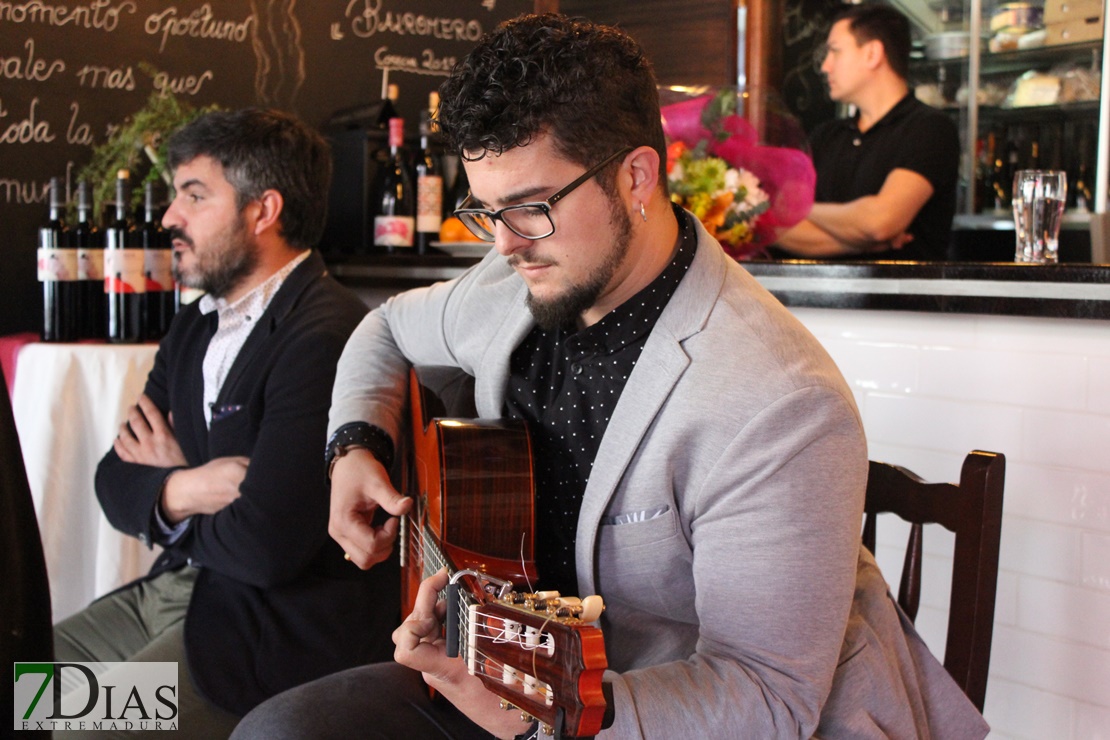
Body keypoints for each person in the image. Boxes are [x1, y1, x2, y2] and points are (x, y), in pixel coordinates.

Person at [233, 14, 988, 739]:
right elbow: (387, 325)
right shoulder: (523, 279)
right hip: (516, 678)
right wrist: (355, 444)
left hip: (661, 713)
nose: (502, 247)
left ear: (635, 177)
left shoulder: (778, 400)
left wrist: (541, 716)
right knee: (275, 728)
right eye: (485, 211)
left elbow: (766, 696)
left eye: (529, 208)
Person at [53, 108, 399, 738]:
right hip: (184, 593)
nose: (168, 218)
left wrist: (164, 497)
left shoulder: (324, 336)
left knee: (83, 722)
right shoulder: (197, 321)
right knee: (23, 685)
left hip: (262, 638)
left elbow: (266, 548)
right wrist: (187, 487)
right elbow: (112, 478)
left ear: (262, 211)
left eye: (193, 195)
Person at [774, 3, 959, 261]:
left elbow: (879, 222)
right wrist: (861, 242)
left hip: (900, 299)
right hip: (812, 298)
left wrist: (802, 208)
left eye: (835, 52)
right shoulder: (824, 135)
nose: (825, 66)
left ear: (872, 54)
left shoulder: (930, 128)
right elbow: (777, 226)